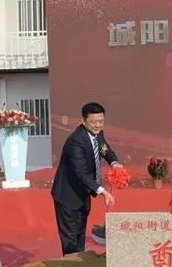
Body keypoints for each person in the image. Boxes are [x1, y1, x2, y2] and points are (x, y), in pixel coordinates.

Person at [51, 102, 121, 255]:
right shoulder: (75, 141)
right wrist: (102, 191)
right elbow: (81, 172)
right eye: (94, 122)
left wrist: (114, 162)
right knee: (70, 238)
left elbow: (105, 149)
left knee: (80, 234)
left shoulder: (98, 134)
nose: (98, 125)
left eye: (101, 121)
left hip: (83, 193)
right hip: (67, 196)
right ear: (83, 121)